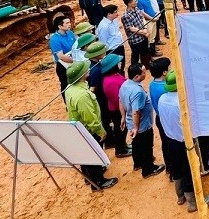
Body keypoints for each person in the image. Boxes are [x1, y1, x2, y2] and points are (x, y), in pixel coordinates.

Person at [156, 71, 209, 213]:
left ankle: (180, 196)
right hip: (184, 141)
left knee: (176, 167)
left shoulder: (162, 99)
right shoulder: (182, 103)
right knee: (189, 169)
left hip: (170, 138)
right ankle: (193, 202)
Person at [64, 61, 118, 191]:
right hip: (88, 129)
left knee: (86, 154)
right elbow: (89, 117)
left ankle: (88, 177)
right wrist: (100, 131)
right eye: (85, 70)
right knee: (94, 154)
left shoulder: (70, 88)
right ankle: (98, 182)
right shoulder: (82, 95)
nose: (88, 70)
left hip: (79, 128)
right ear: (81, 75)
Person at [119, 63, 165, 178]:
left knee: (136, 144)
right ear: (136, 76)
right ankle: (148, 169)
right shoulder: (138, 92)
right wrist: (136, 127)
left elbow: (120, 100)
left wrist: (123, 117)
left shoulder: (125, 84)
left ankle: (138, 163)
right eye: (143, 72)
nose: (146, 73)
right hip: (142, 125)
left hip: (131, 122)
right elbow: (136, 111)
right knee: (146, 146)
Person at [100, 53, 130, 158]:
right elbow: (116, 99)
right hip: (117, 110)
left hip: (120, 108)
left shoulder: (115, 75)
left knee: (123, 129)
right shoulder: (111, 81)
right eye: (118, 63)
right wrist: (124, 110)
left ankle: (124, 145)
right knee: (120, 130)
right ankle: (120, 150)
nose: (120, 63)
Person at [49, 15, 76, 94]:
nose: (69, 24)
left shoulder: (70, 33)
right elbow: (61, 56)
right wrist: (75, 60)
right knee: (66, 86)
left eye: (69, 22)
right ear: (60, 26)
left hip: (72, 61)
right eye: (67, 23)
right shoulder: (54, 39)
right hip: (64, 66)